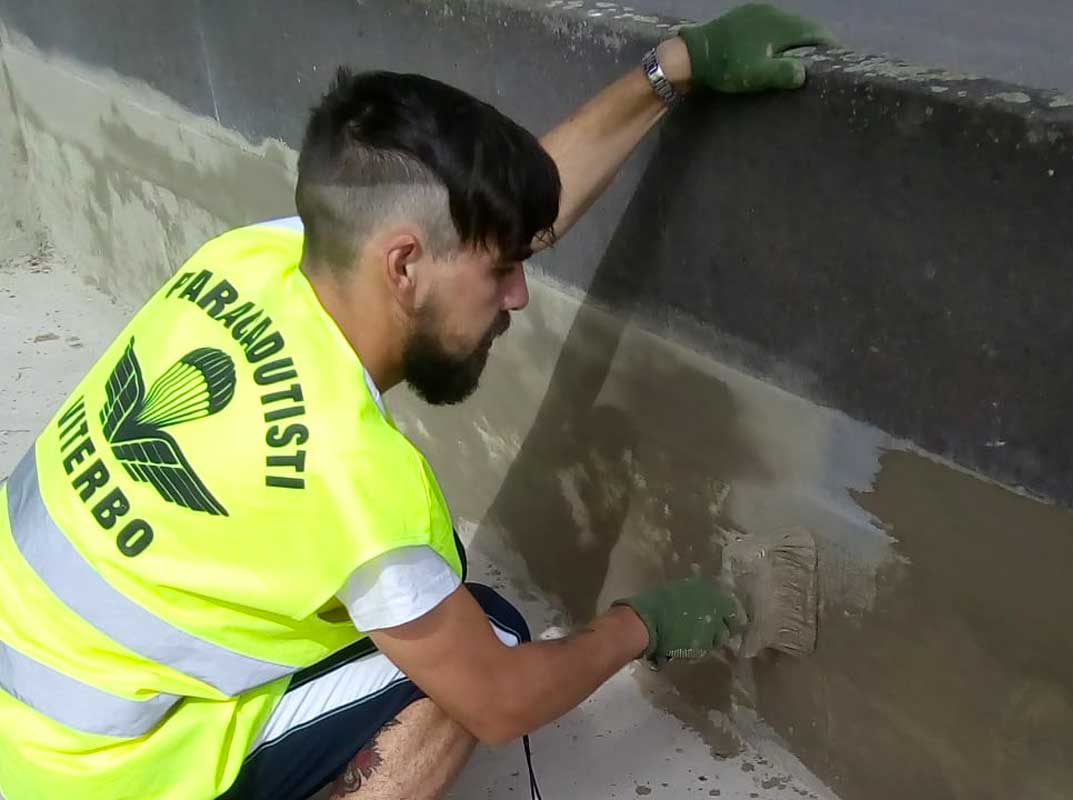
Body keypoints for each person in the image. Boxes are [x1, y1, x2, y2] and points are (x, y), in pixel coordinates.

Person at [0, 4, 833, 799]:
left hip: (33, 687)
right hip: (84, 777)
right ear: (403, 267)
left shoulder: (251, 260)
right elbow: (500, 701)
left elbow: (475, 222)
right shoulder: (350, 475)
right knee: (484, 641)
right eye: (501, 272)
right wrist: (639, 626)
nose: (519, 295)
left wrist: (670, 70)